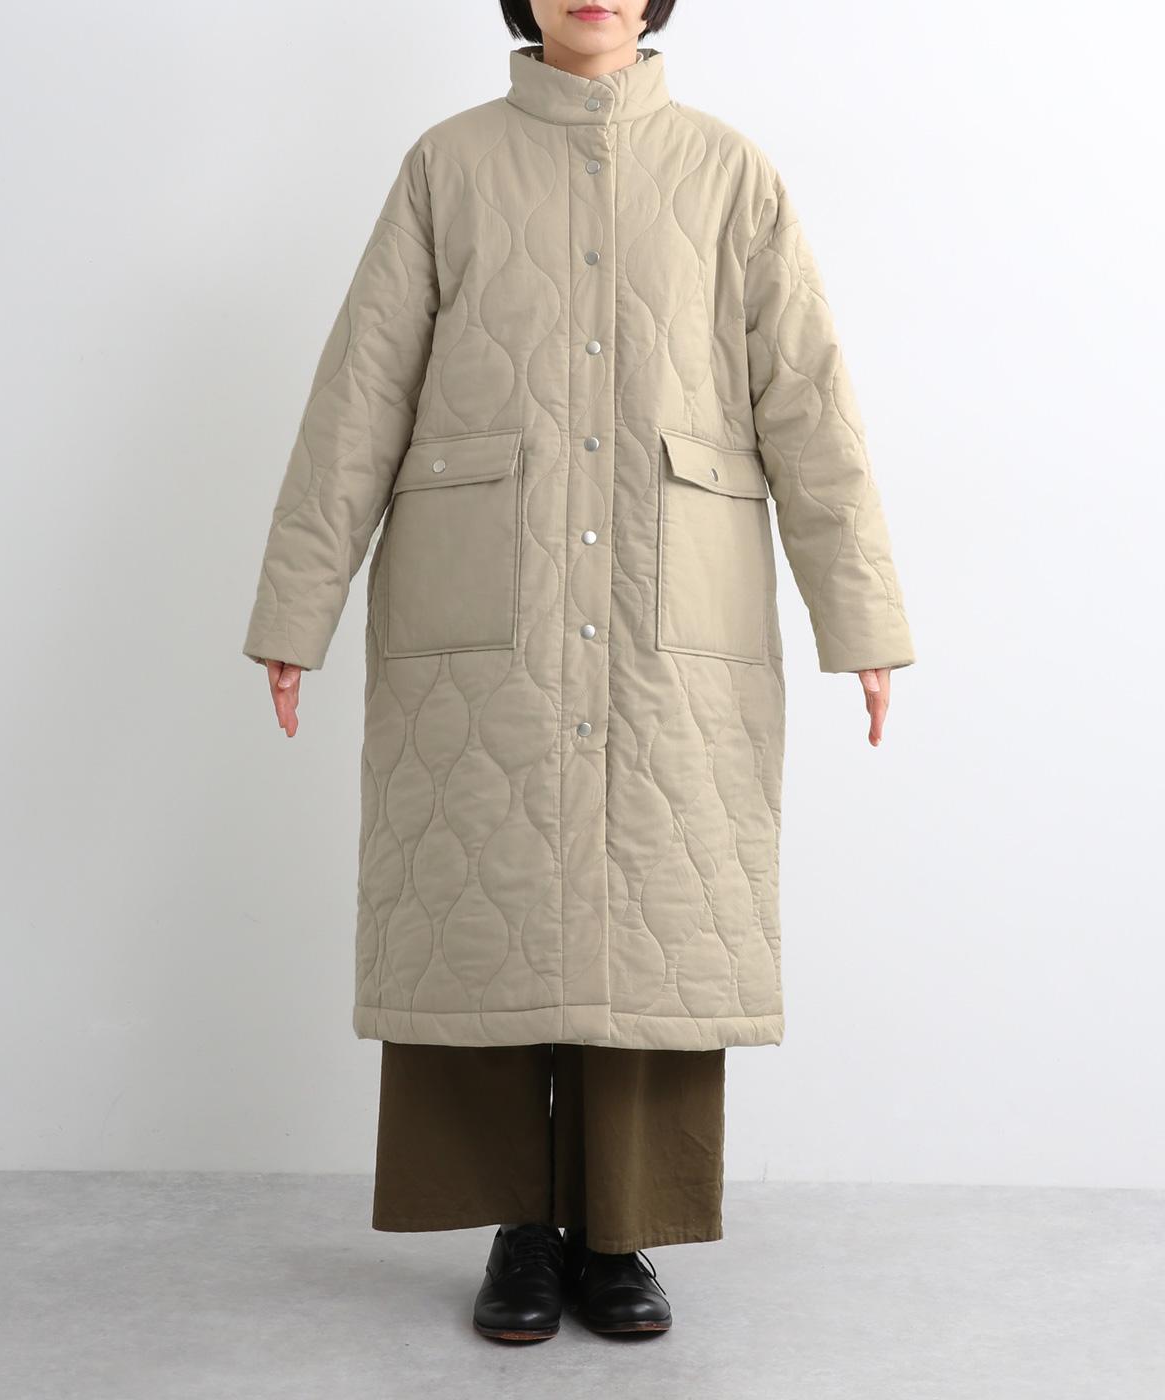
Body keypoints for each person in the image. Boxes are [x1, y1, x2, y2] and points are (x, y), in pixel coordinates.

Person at [241, 0, 915, 1344]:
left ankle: (623, 1231)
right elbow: (361, 392)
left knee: (653, 913)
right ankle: (517, 1230)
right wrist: (293, 609)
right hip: (486, 605)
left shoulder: (731, 173)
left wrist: (865, 619)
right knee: (488, 904)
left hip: (675, 609)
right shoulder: (448, 166)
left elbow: (808, 404)